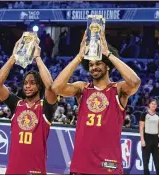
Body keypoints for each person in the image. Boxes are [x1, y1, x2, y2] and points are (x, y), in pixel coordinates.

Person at [52, 31, 141, 174]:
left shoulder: (118, 89)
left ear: (108, 66)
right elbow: (56, 88)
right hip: (81, 164)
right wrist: (79, 57)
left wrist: (108, 54)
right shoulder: (82, 88)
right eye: (91, 64)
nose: (94, 67)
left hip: (108, 165)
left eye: (99, 63)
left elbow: (135, 82)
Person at [0, 40, 57, 174]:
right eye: (25, 83)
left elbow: (51, 86)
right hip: (13, 169)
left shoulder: (45, 107)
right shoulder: (17, 104)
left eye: (32, 83)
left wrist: (38, 58)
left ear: (39, 86)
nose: (27, 86)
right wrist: (13, 57)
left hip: (35, 170)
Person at [139, 98, 159, 175]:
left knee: (158, 161)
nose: (153, 105)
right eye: (152, 103)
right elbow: (141, 127)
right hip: (146, 138)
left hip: (156, 139)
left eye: (155, 104)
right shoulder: (144, 114)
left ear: (157, 105)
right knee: (146, 160)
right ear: (149, 104)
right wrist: (142, 139)